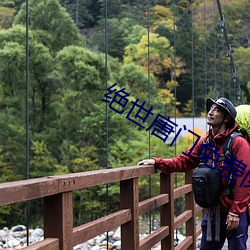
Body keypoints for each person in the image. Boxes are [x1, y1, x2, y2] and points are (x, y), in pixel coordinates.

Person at [137, 97, 250, 250]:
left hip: (233, 211)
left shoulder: (238, 143)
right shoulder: (205, 142)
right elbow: (185, 161)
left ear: (227, 118)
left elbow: (244, 180)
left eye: (216, 110)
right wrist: (158, 162)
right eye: (210, 109)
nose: (210, 112)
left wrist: (236, 212)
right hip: (213, 210)